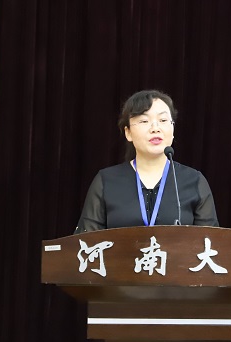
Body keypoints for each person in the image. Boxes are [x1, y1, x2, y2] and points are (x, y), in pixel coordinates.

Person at [74, 89, 219, 234]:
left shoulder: (194, 181)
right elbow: (85, 242)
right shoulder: (106, 181)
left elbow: (211, 242)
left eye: (163, 120)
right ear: (128, 132)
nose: (155, 128)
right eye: (144, 121)